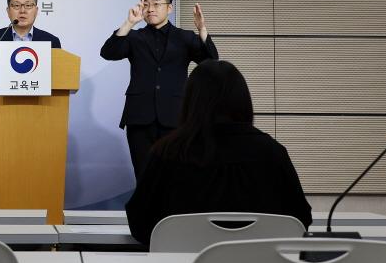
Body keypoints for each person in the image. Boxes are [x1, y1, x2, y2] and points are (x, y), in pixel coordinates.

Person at [125, 60, 312, 245]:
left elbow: (140, 223)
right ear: (243, 100)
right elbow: (299, 220)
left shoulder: (166, 153)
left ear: (190, 100)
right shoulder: (272, 153)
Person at [100, 0, 217, 179]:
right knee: (144, 176)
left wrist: (202, 30)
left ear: (169, 8)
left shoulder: (185, 37)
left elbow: (211, 61)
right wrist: (129, 23)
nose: (150, 8)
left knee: (175, 176)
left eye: (156, 3)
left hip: (175, 116)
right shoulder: (134, 37)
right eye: (145, 3)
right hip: (139, 117)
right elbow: (108, 52)